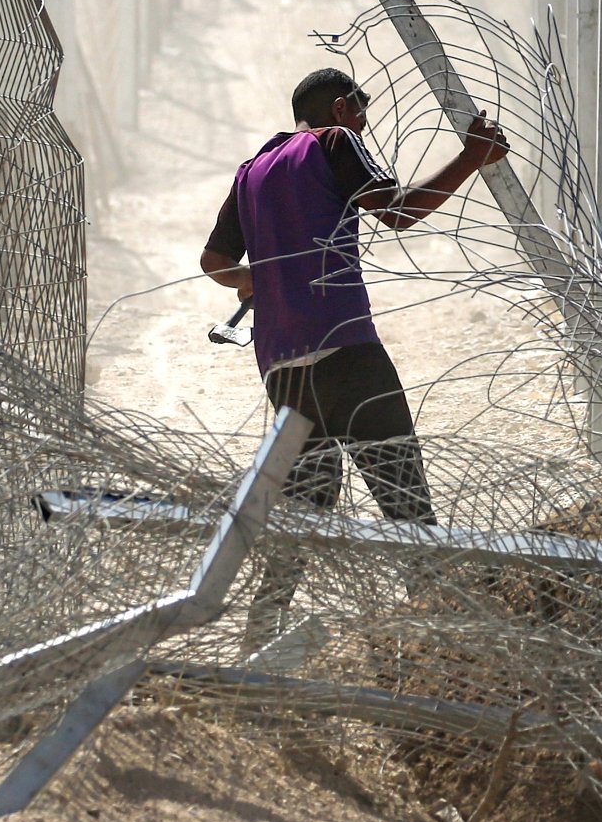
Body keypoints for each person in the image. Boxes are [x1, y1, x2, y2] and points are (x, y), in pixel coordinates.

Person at [199, 67, 507, 652]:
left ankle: (259, 634)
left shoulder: (250, 174)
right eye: (361, 117)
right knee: (403, 496)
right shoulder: (334, 143)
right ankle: (442, 638)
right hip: (347, 351)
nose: (364, 130)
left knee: (305, 506)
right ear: (341, 108)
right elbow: (398, 211)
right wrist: (473, 156)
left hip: (283, 365)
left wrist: (259, 281)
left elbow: (214, 260)